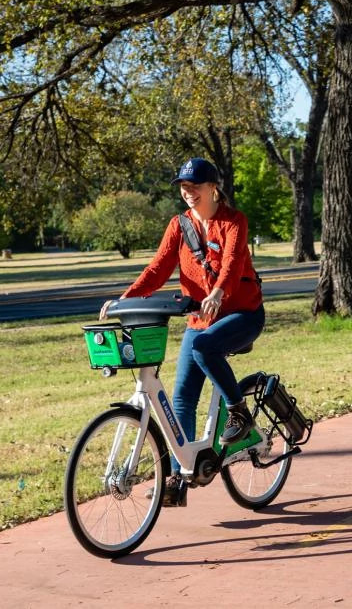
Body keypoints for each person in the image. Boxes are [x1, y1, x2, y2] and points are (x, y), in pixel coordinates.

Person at [101, 157, 264, 506]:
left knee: (204, 348)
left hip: (243, 314)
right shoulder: (180, 225)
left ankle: (239, 411)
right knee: (181, 400)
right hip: (200, 321)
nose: (188, 192)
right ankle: (177, 478)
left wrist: (217, 293)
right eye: (184, 187)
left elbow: (232, 264)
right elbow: (158, 268)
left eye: (195, 186)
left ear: (213, 188)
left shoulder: (234, 221)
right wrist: (126, 299)